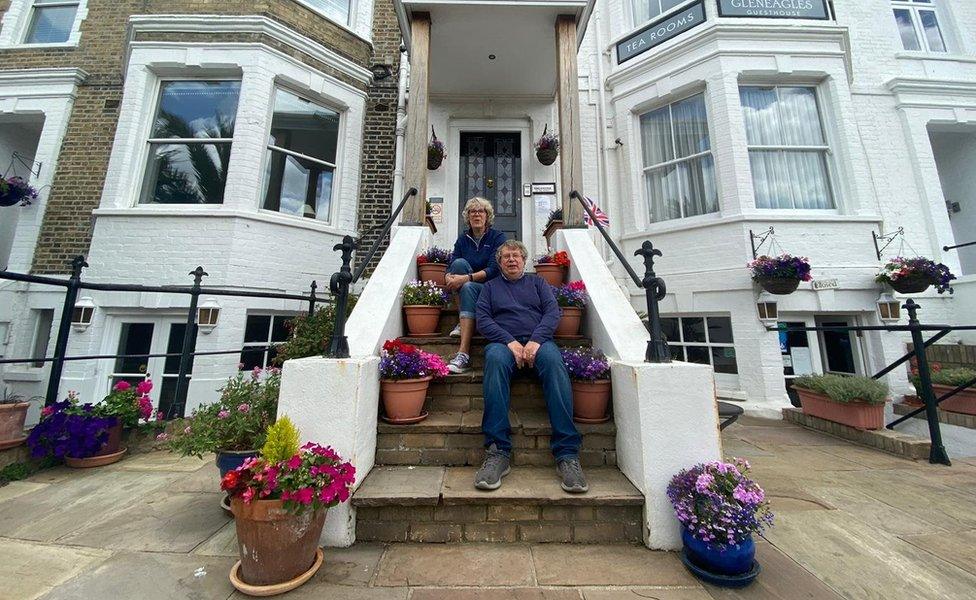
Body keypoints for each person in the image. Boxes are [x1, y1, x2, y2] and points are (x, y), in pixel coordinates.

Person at [472, 240, 587, 493]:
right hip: (504, 345)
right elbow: (483, 320)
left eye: (516, 256)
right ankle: (497, 451)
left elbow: (552, 313)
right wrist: (509, 342)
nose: (511, 260)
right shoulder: (489, 288)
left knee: (555, 363)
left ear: (524, 260)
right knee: (494, 360)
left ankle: (567, 454)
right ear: (499, 263)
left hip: (539, 342)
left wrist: (535, 341)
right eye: (505, 257)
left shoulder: (538, 284)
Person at [444, 197, 507, 374]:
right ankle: (462, 345)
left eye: (481, 211)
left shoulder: (497, 237)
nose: (476, 214)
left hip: (491, 289)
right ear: (468, 216)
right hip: (469, 288)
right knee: (458, 267)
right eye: (473, 211)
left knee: (467, 285)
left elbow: (495, 269)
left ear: (487, 216)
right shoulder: (463, 239)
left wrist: (466, 278)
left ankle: (463, 353)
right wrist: (448, 276)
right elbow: (453, 263)